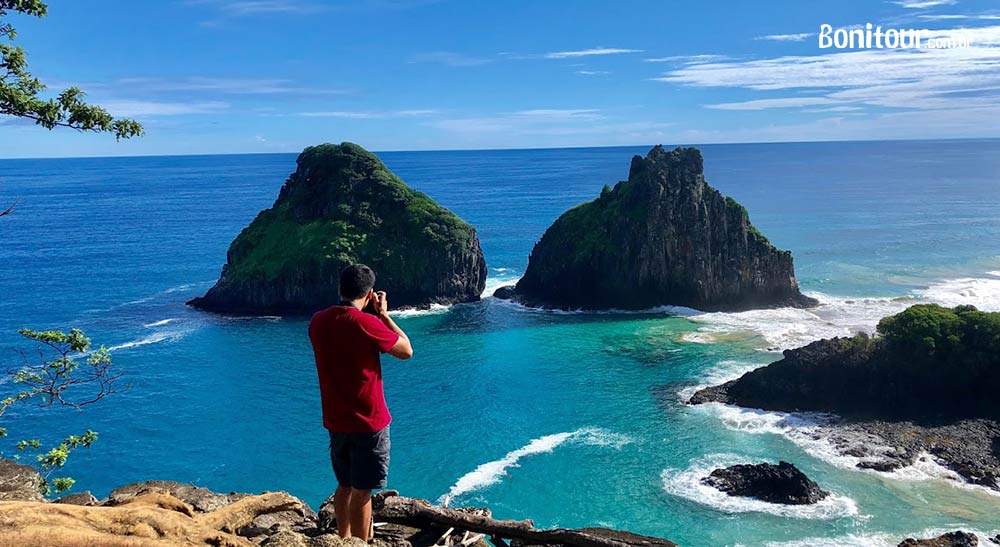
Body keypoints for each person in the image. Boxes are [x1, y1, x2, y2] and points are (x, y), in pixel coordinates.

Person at [309, 264, 413, 542]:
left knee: (344, 486)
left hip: (336, 419)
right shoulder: (367, 324)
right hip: (369, 421)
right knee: (363, 491)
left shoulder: (318, 321)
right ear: (369, 295)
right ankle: (359, 543)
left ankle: (342, 539)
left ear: (339, 289)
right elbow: (406, 351)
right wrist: (384, 316)